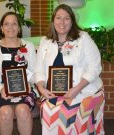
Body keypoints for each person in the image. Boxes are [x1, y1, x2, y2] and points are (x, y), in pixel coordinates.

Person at [35, 4, 105, 135]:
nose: (62, 22)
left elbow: (95, 66)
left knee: (67, 111)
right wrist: (41, 87)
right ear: (53, 20)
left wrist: (76, 89)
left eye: (66, 18)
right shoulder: (45, 41)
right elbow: (39, 70)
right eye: (58, 18)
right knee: (47, 109)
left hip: (84, 90)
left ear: (72, 21)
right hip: (53, 92)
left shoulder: (83, 38)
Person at [0, 12, 37, 135]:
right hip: (0, 90)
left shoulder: (29, 46)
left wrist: (29, 83)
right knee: (5, 112)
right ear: (2, 28)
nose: (11, 27)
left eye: (14, 24)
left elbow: (34, 71)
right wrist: (1, 88)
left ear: (19, 28)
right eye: (7, 24)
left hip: (26, 89)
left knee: (22, 110)